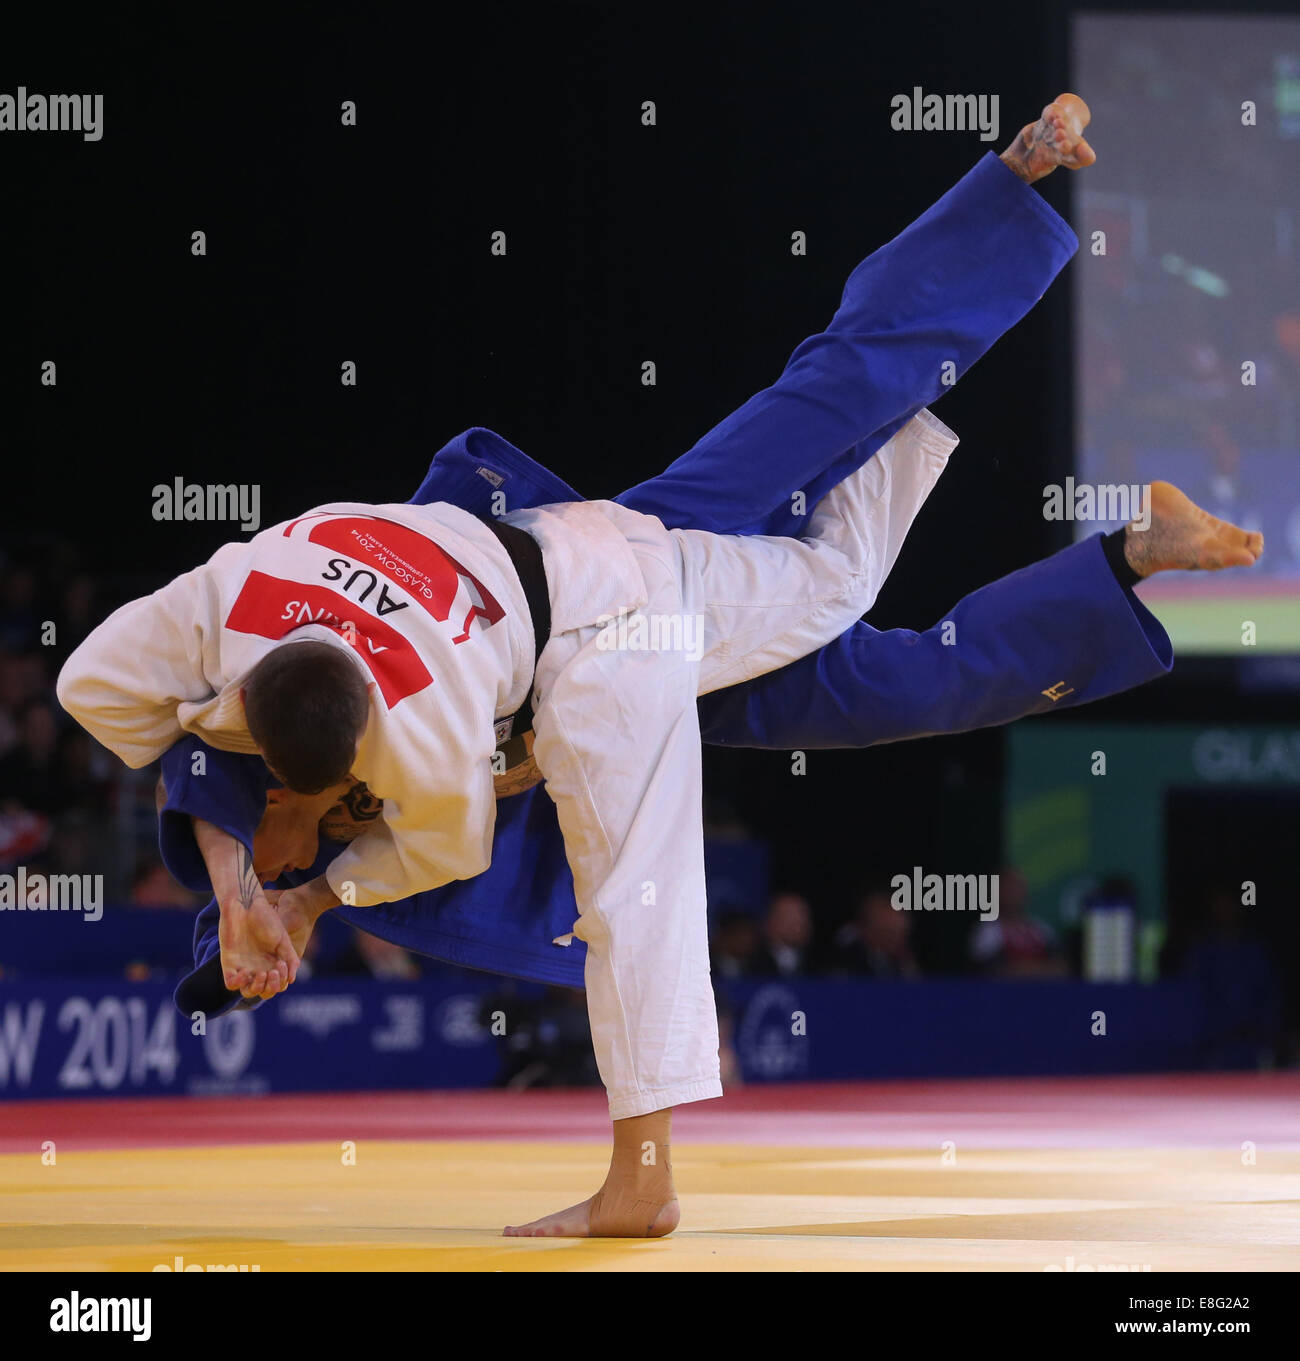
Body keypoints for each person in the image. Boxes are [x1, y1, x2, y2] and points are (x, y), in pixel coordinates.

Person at [58, 95, 1264, 1239]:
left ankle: (643, 1180)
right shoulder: (223, 600)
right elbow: (117, 698)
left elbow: (452, 838)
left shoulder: (407, 740)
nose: (302, 854)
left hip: (610, 631)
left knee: (658, 845)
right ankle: (1112, 509)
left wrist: (307, 899)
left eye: (301, 834)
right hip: (579, 537)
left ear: (303, 776)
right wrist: (235, 884)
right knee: (858, 531)